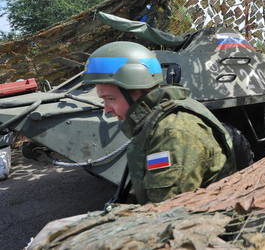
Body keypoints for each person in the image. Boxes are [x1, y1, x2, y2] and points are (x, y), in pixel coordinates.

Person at [82, 41, 236, 204]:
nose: (106, 109)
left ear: (137, 92)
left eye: (110, 99)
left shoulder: (172, 133)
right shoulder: (156, 120)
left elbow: (165, 212)